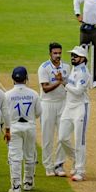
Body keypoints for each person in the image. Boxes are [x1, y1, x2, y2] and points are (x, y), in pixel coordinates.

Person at [5, 66, 42, 192]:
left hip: (14, 127)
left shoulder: (7, 95)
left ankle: (16, 186)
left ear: (13, 78)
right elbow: (38, 113)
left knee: (15, 157)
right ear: (26, 78)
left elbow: (4, 115)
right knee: (30, 155)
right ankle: (28, 182)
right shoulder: (34, 94)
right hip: (29, 126)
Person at [37, 42, 71, 177]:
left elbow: (69, 85)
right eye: (55, 53)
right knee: (47, 136)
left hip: (63, 103)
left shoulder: (67, 67)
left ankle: (59, 164)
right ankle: (48, 165)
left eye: (59, 53)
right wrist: (59, 82)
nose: (57, 55)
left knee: (63, 135)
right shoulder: (44, 68)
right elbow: (45, 88)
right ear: (50, 54)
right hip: (47, 104)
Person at [58, 45, 91, 181]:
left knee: (79, 140)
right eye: (72, 55)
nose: (72, 57)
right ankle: (76, 159)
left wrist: (63, 83)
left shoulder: (83, 72)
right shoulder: (74, 69)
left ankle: (80, 170)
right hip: (69, 106)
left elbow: (78, 91)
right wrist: (64, 81)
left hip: (80, 108)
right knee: (62, 138)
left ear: (83, 58)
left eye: (75, 56)